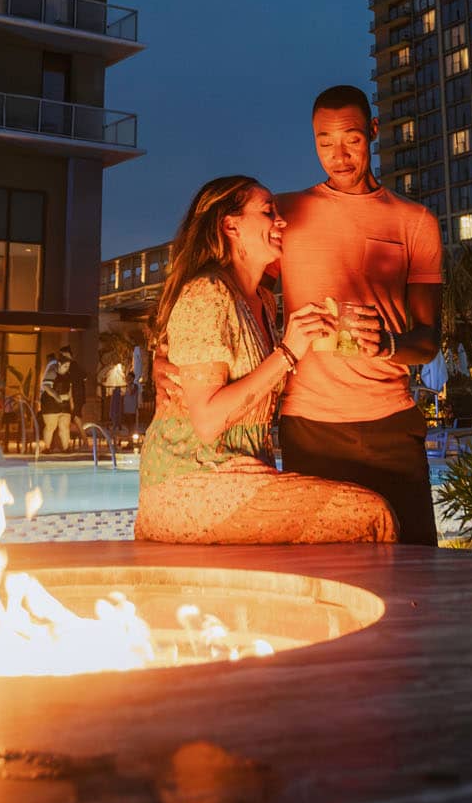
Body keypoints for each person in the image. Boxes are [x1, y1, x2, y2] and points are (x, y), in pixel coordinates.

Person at [155, 85, 442, 546]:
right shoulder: (285, 214)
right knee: (325, 567)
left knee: (412, 556)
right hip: (309, 425)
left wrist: (387, 343)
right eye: (324, 142)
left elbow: (428, 340)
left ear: (373, 131)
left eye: (351, 140)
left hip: (389, 421)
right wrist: (164, 356)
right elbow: (228, 289)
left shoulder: (416, 222)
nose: (338, 156)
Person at [134, 175, 398, 545]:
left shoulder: (262, 300)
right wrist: (288, 352)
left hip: (243, 473)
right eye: (267, 212)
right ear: (231, 226)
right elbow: (207, 421)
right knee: (370, 515)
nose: (281, 221)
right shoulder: (207, 293)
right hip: (193, 481)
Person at [39, 347, 74, 453]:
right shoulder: (52, 370)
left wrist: (71, 401)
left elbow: (70, 388)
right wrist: (57, 397)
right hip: (50, 404)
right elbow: (46, 386)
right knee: (51, 426)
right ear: (59, 363)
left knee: (65, 426)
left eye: (68, 366)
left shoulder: (68, 374)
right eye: (65, 366)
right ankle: (47, 447)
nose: (67, 368)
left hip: (64, 404)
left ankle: (66, 447)